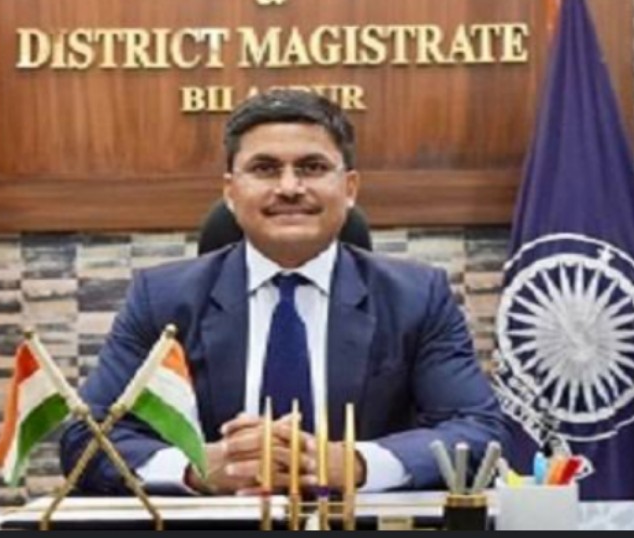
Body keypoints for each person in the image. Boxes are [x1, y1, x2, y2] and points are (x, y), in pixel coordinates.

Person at [60, 89, 509, 495]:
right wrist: (196, 468)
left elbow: (477, 431)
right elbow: (87, 439)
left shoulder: (416, 296)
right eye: (265, 169)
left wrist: (353, 464)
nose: (290, 188)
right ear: (230, 191)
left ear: (350, 188)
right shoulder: (162, 298)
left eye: (312, 168)